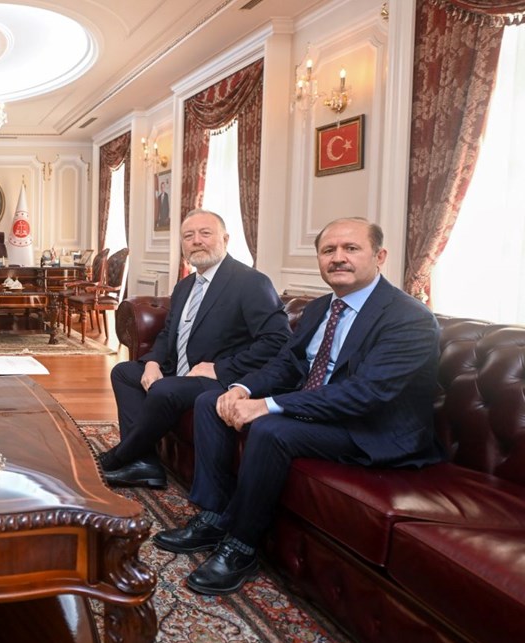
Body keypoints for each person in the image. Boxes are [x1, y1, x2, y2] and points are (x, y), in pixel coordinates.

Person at [153, 217, 442, 595]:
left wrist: (268, 405)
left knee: (271, 429)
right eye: (328, 250)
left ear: (380, 256)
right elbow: (286, 364)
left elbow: (364, 395)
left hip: (371, 428)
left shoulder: (408, 318)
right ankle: (214, 516)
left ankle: (241, 547)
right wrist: (242, 388)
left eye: (351, 248)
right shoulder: (321, 307)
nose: (338, 258)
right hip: (319, 410)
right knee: (211, 401)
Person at [101, 210, 289, 488]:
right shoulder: (185, 286)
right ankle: (144, 464)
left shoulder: (250, 282)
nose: (196, 241)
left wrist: (220, 369)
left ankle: (120, 455)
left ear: (225, 239)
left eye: (205, 233)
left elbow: (278, 340)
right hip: (181, 371)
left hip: (220, 378)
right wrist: (152, 362)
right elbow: (168, 333)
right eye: (188, 236)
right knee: (124, 372)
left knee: (164, 390)